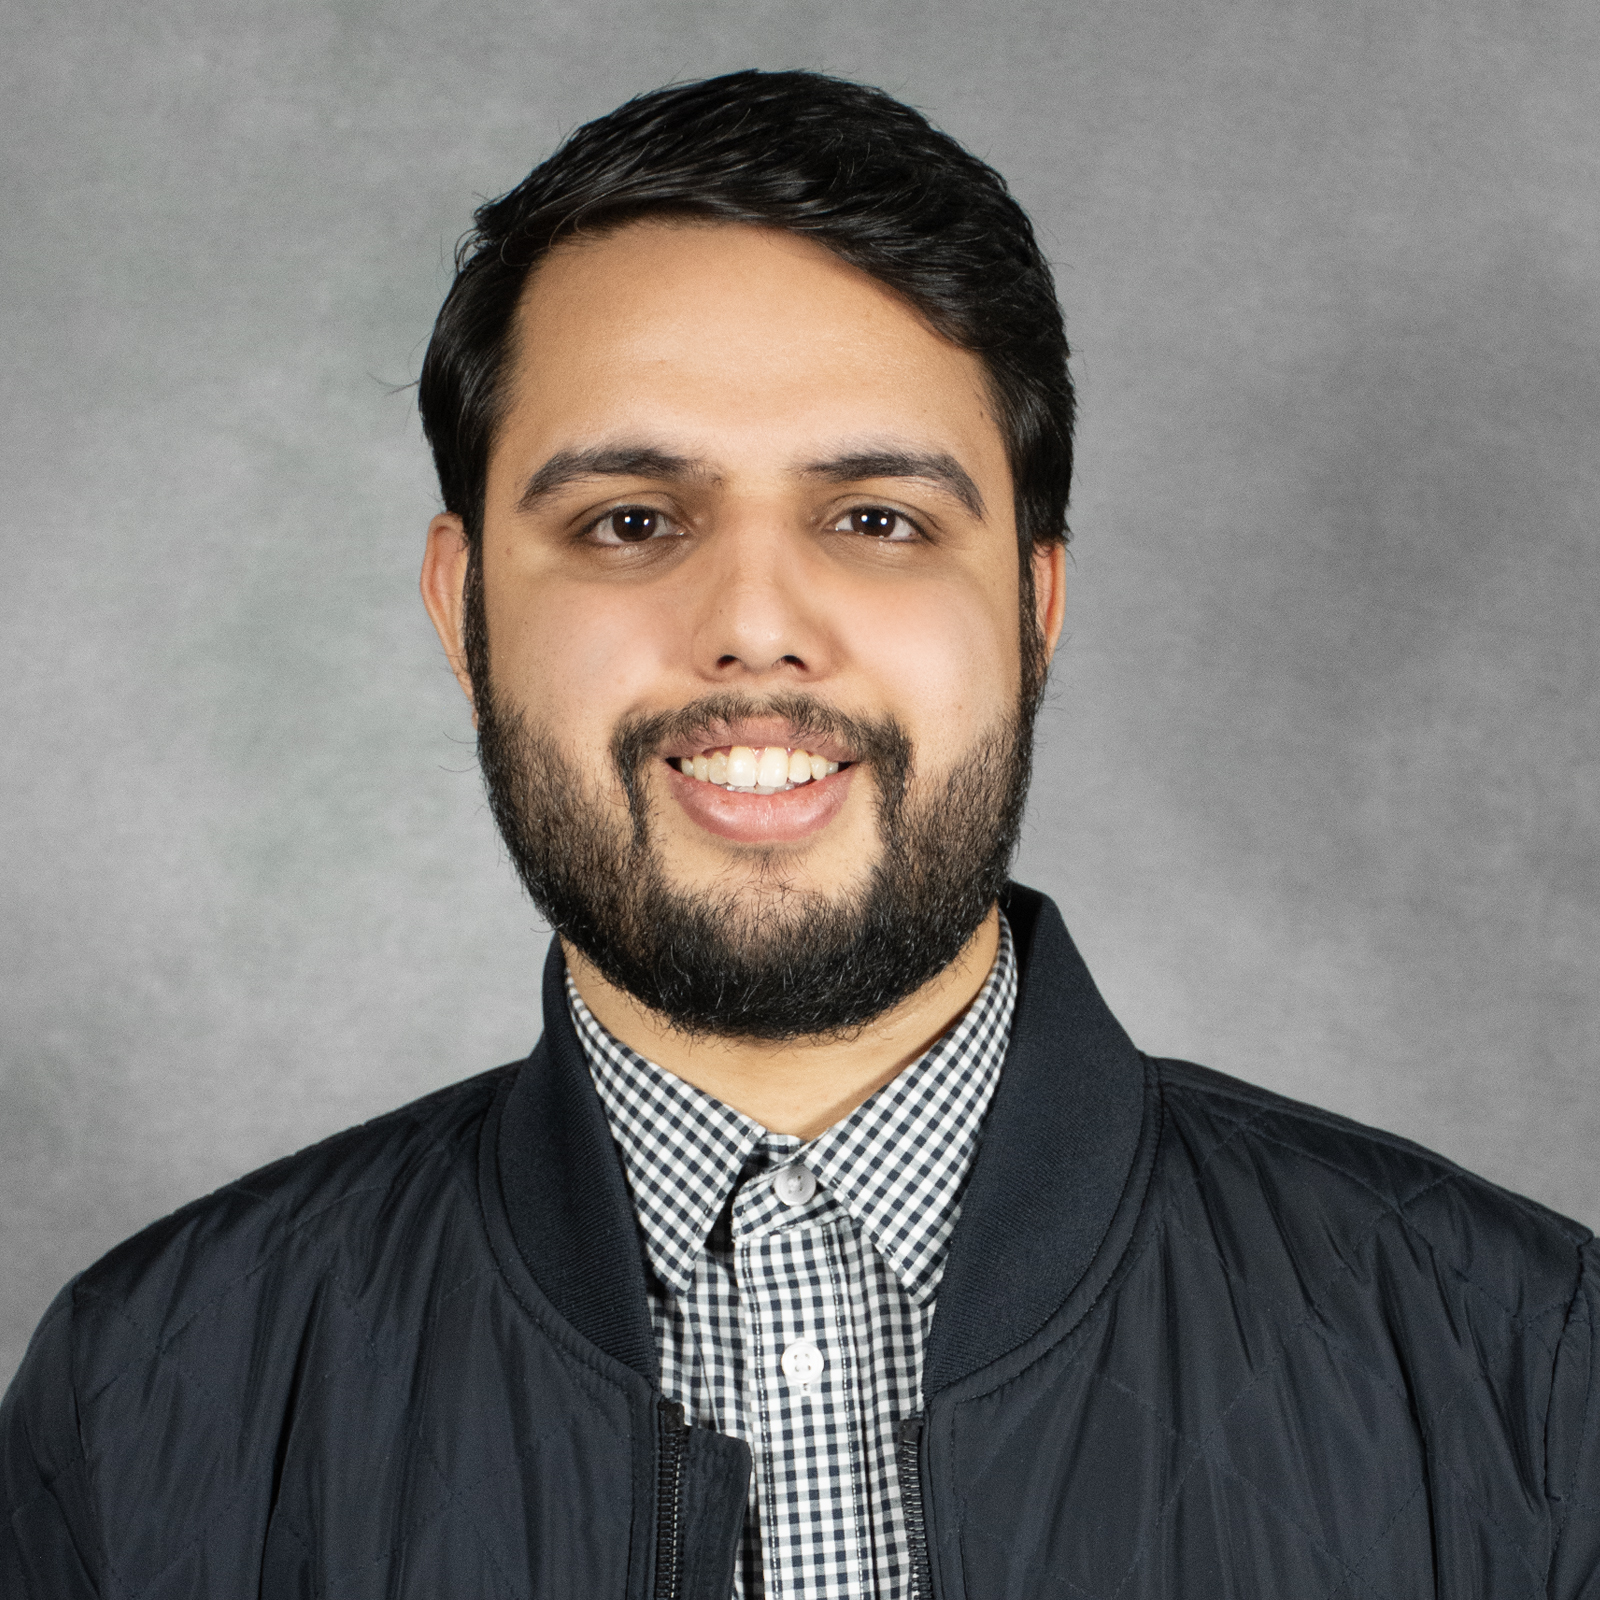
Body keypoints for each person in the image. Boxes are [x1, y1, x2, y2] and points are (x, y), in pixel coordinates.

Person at [2, 67, 1596, 1600]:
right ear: (461, 602)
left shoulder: (1531, 1377)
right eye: (632, 521)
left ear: (1034, 610)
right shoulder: (143, 1405)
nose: (756, 627)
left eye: (876, 521)